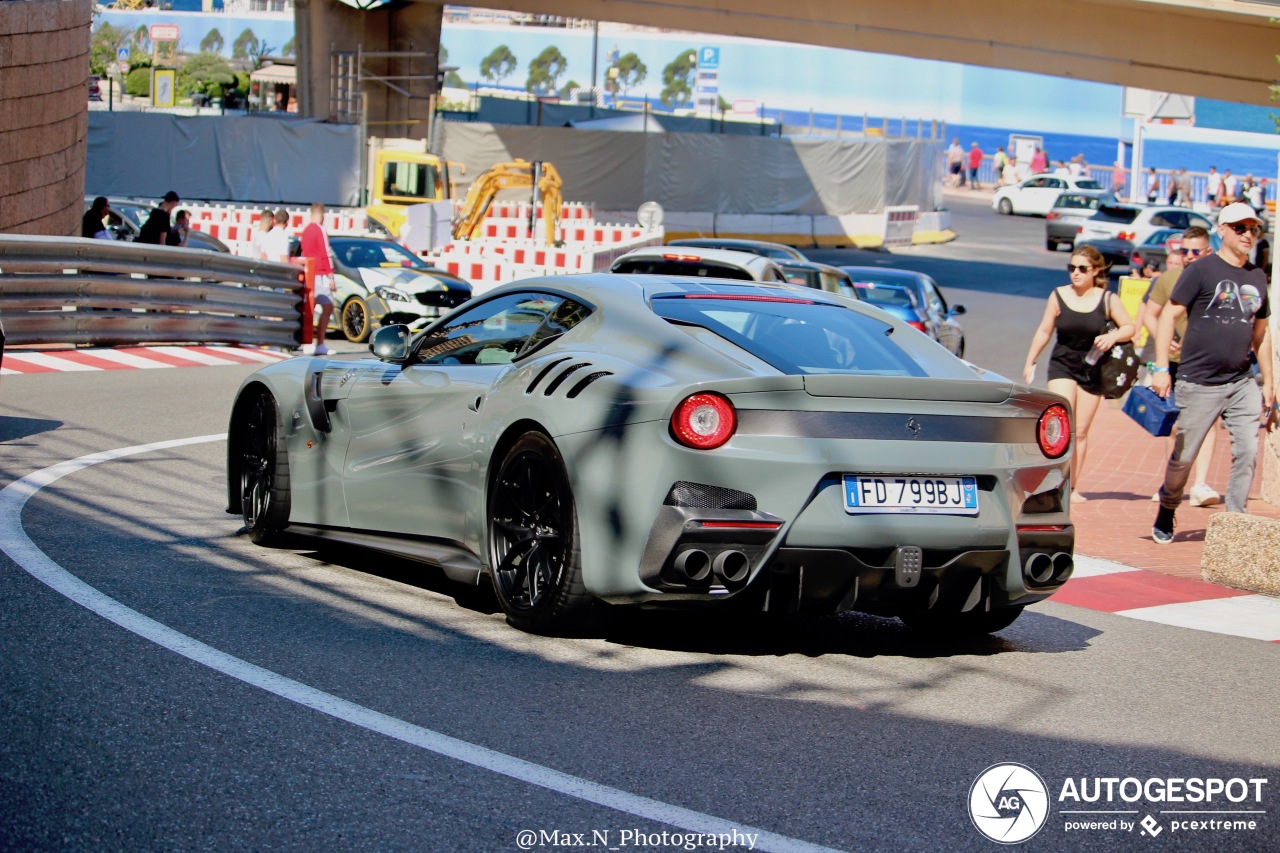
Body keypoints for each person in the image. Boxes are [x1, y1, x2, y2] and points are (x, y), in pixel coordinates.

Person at [1150, 203, 1274, 543]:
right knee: (1183, 458)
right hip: (1197, 381)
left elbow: (1261, 334)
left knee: (1248, 450)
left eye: (1253, 229)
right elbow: (1166, 317)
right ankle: (1169, 505)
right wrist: (1162, 368)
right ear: (1222, 230)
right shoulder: (1201, 270)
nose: (1248, 234)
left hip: (1241, 380)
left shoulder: (1257, 276)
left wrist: (1269, 383)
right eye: (1240, 228)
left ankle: (1236, 522)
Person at [1023, 245, 1135, 503]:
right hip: (1062, 364)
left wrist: (1113, 335)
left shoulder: (1107, 300)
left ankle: (1072, 487)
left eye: (1082, 269)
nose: (1075, 273)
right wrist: (1031, 361)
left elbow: (1130, 327)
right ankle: (1051, 482)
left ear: (1095, 271)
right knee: (1061, 426)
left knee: (1081, 431)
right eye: (1071, 267)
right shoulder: (1059, 295)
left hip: (1093, 369)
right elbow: (1044, 331)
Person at [1140, 226, 1220, 507]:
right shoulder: (1169, 279)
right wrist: (1167, 340)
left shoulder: (1218, 280)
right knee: (1175, 424)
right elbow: (1150, 314)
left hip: (1207, 363)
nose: (1189, 256)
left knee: (1210, 422)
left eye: (1195, 251)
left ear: (1207, 251)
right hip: (1175, 363)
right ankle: (1171, 482)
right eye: (1184, 251)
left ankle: (1200, 484)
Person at [299, 203, 336, 356]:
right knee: (328, 307)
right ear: (321, 214)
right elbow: (325, 252)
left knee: (310, 308)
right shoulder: (320, 230)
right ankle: (319, 343)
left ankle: (307, 342)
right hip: (320, 273)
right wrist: (331, 275)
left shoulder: (305, 230)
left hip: (309, 272)